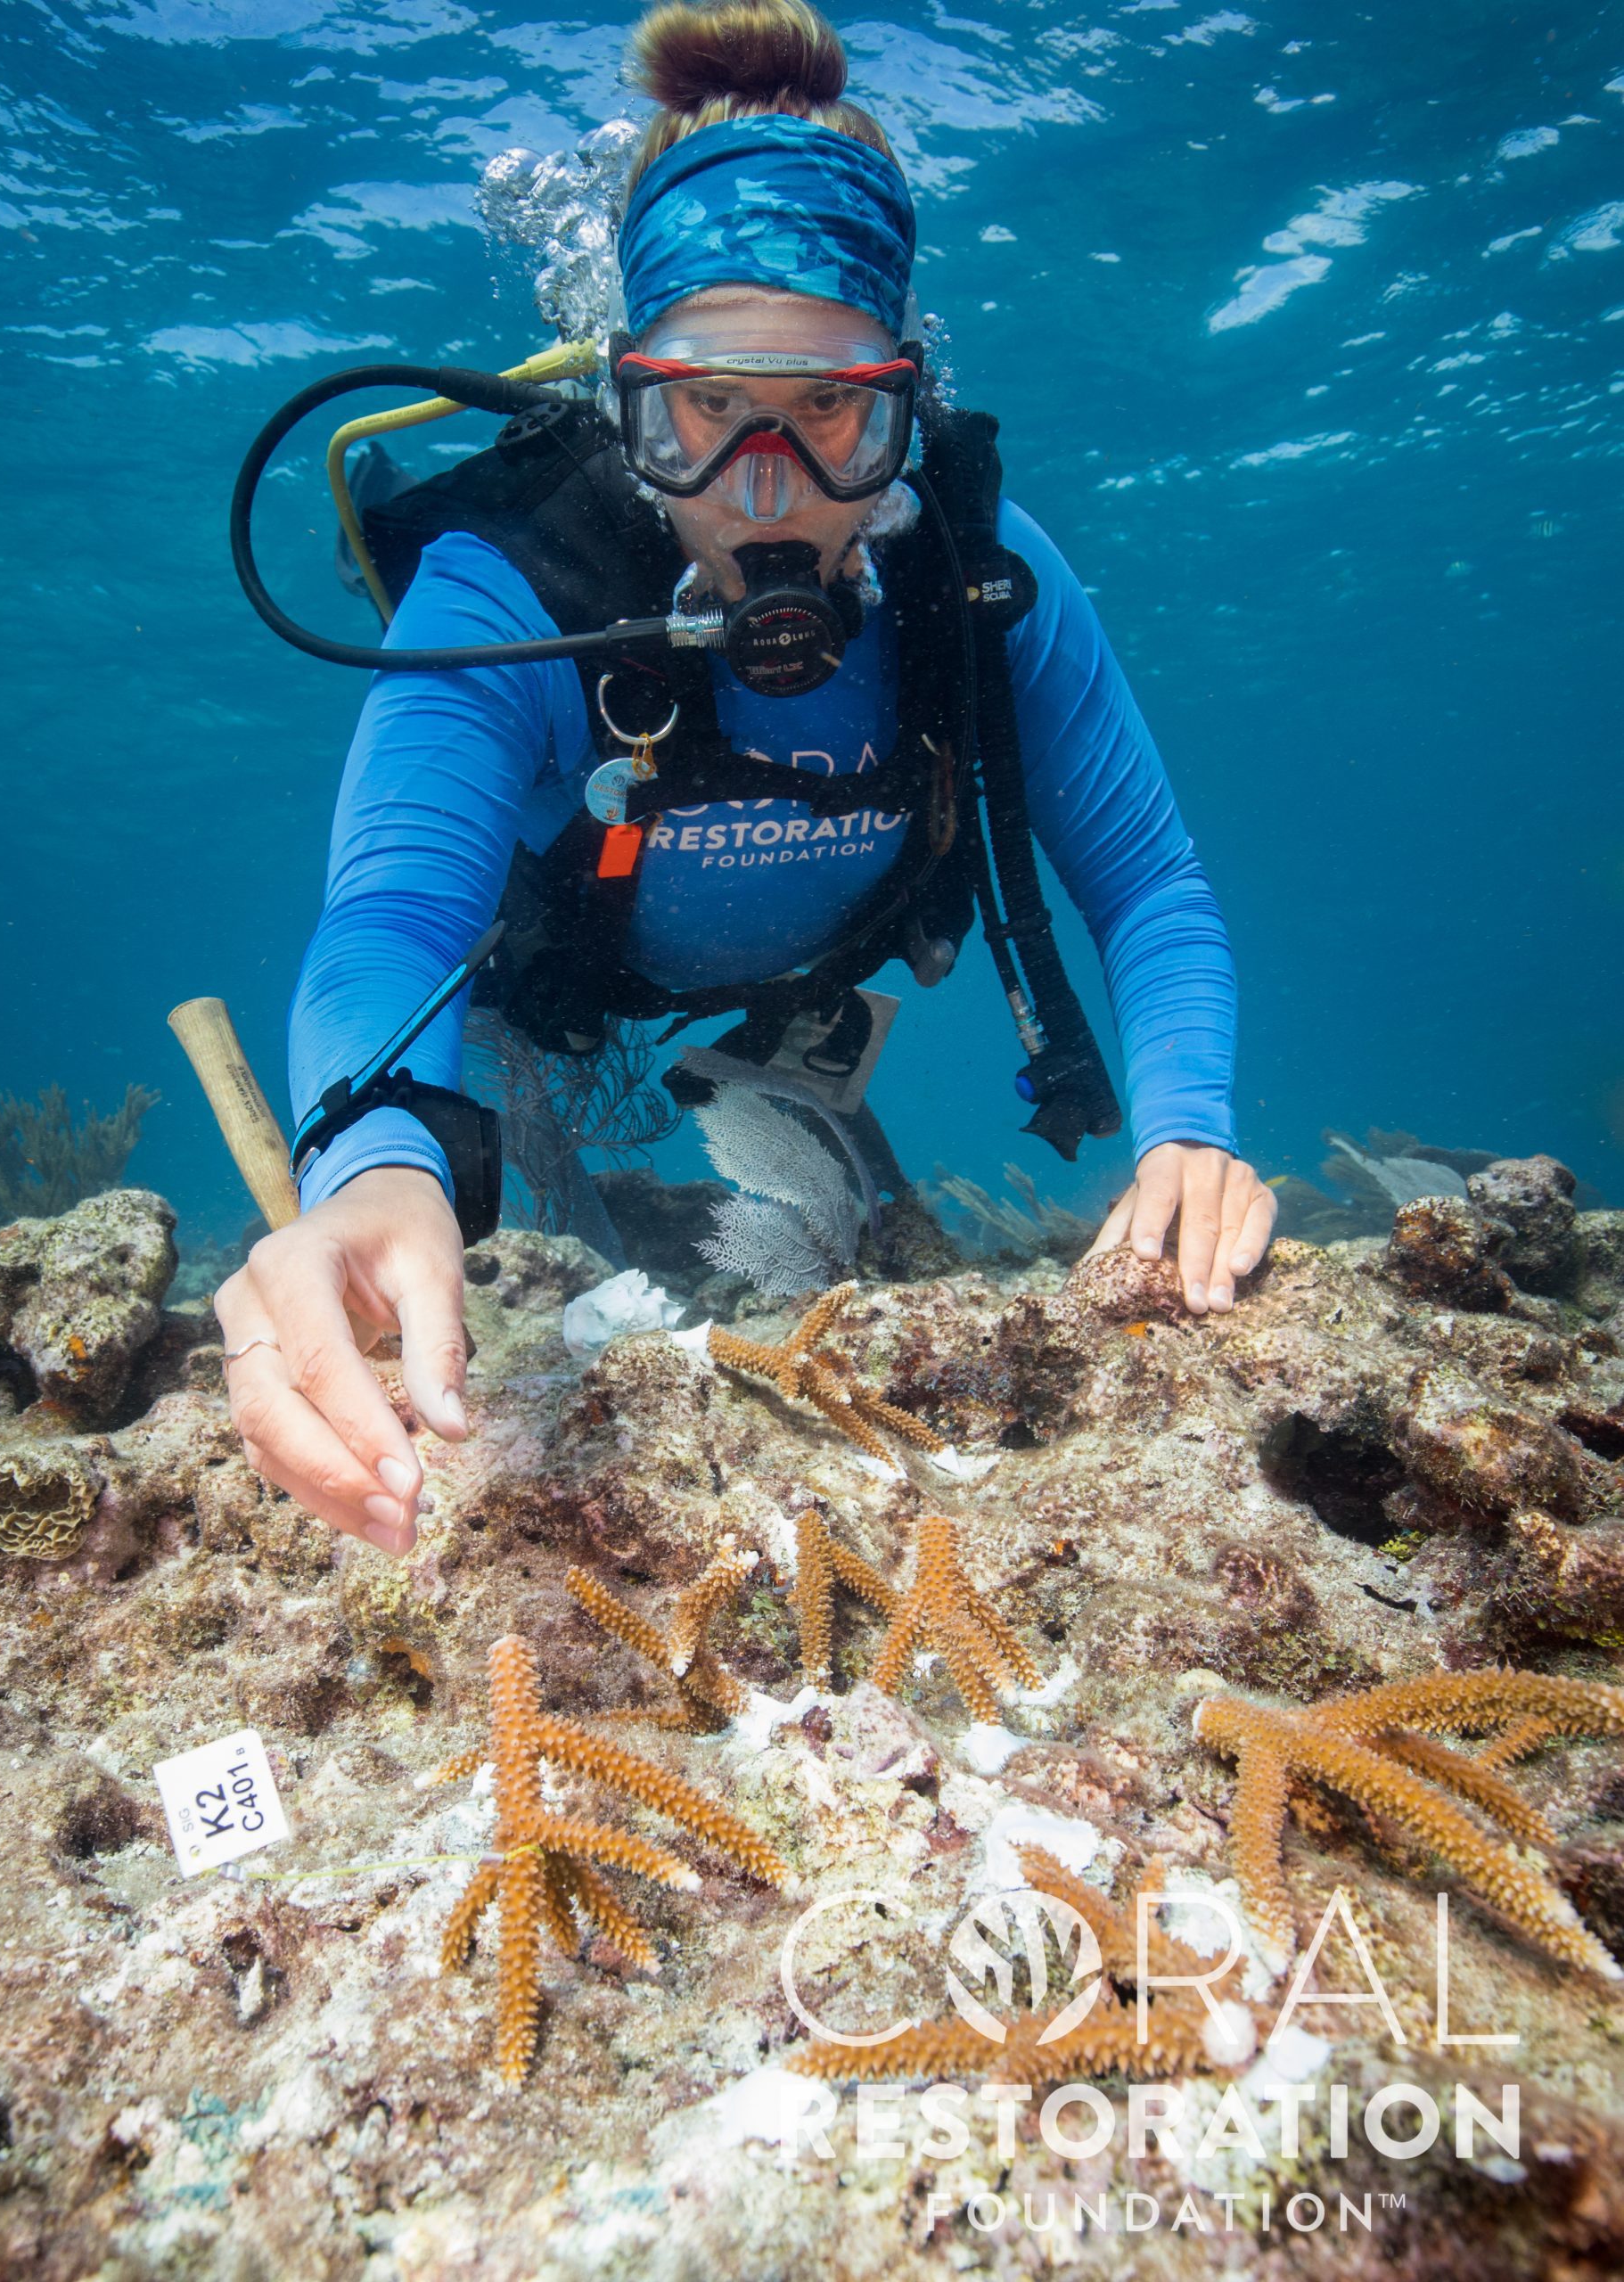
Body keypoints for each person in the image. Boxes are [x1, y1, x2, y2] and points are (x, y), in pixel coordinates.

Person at [214, 0, 1276, 1561]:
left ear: (902, 403)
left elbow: (1148, 882)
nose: (764, 492)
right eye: (706, 411)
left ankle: (775, 1080)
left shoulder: (984, 577)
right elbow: (390, 916)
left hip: (814, 978)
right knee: (530, 1304)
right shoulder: (508, 588)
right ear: (628, 401)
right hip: (556, 986)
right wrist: (375, 1169)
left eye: (829, 411)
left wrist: (1187, 1125)